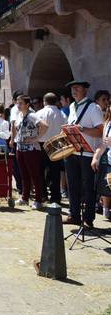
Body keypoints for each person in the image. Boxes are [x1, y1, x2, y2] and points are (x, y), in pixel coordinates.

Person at [63, 80, 104, 227]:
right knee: (72, 186)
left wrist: (82, 129)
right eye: (72, 89)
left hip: (88, 154)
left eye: (77, 88)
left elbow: (100, 131)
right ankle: (74, 215)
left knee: (88, 188)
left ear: (85, 90)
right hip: (72, 152)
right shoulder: (72, 106)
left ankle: (88, 218)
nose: (73, 91)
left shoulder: (94, 108)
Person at [12, 95, 48, 209]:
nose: (18, 105)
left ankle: (38, 199)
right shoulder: (19, 115)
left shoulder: (32, 115)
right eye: (17, 103)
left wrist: (35, 138)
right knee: (24, 174)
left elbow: (44, 125)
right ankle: (24, 197)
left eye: (21, 103)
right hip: (20, 148)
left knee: (34, 175)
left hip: (31, 149)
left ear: (27, 105)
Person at [36, 92, 67, 204]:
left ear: (44, 101)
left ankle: (43, 194)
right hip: (56, 143)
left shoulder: (39, 113)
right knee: (55, 171)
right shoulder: (62, 114)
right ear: (56, 102)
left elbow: (36, 128)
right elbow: (65, 130)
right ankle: (55, 197)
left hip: (41, 143)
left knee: (40, 170)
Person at [91, 105, 111, 220]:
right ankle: (106, 210)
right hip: (108, 161)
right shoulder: (107, 123)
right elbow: (103, 144)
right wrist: (96, 157)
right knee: (107, 189)